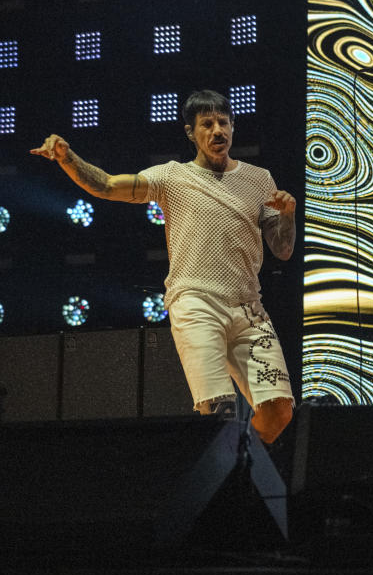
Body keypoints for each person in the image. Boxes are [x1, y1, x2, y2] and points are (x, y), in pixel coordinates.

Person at [31, 89, 296, 444]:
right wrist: (68, 159)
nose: (217, 131)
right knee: (220, 411)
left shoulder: (259, 179)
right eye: (207, 124)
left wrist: (288, 216)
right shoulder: (172, 177)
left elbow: (282, 250)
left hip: (249, 309)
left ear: (233, 126)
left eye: (223, 122)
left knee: (279, 411)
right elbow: (108, 185)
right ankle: (227, 477)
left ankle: (237, 465)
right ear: (191, 133)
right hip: (197, 303)